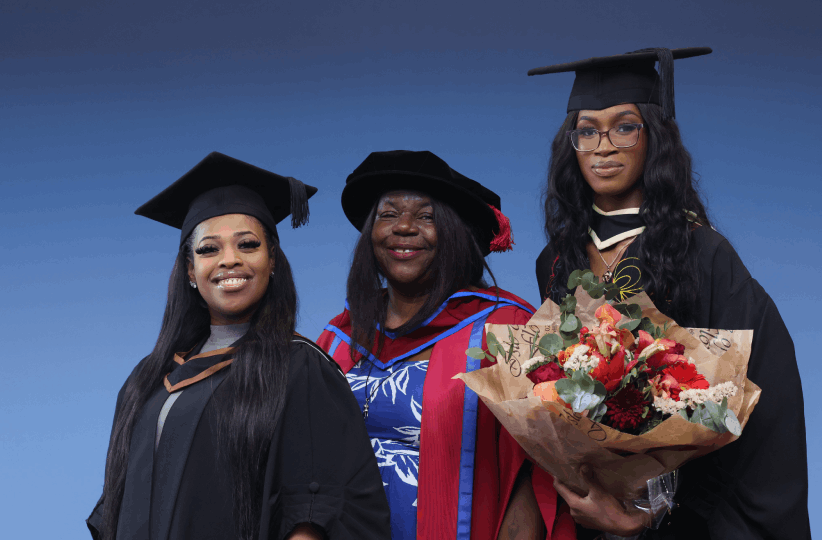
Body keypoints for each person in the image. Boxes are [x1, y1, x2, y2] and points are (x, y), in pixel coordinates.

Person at [528, 48, 811, 539]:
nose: (603, 147)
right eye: (587, 130)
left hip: (682, 523)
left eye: (624, 127)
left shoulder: (701, 253)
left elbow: (758, 400)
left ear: (654, 138)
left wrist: (654, 509)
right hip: (589, 514)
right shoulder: (556, 259)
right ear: (570, 143)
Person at [86, 151, 390, 540]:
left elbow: (316, 514)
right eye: (208, 249)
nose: (229, 261)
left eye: (247, 244)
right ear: (190, 271)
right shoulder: (150, 377)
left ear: (273, 259)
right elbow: (119, 506)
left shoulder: (298, 368)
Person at [316, 150, 568, 540]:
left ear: (452, 232)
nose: (404, 227)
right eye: (388, 214)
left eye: (426, 216)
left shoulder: (507, 327)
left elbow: (537, 476)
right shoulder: (337, 338)